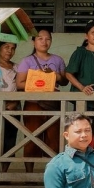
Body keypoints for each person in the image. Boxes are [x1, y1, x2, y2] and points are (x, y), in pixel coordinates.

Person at [16, 29, 68, 173]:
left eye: (47, 39)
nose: (44, 42)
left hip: (54, 103)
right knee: (32, 137)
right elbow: (19, 83)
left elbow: (64, 81)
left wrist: (55, 76)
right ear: (34, 41)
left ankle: (53, 174)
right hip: (33, 103)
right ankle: (29, 175)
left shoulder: (58, 60)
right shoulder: (27, 61)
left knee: (54, 139)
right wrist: (37, 82)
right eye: (40, 38)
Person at [65, 19, 94, 104]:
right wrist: (82, 88)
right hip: (82, 98)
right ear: (86, 36)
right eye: (93, 32)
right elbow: (68, 74)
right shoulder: (80, 53)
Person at [0, 40, 18, 172]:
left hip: (13, 110)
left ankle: (3, 173)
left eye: (13, 48)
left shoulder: (17, 68)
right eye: (6, 47)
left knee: (9, 142)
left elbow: (21, 87)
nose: (10, 50)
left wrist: (13, 103)